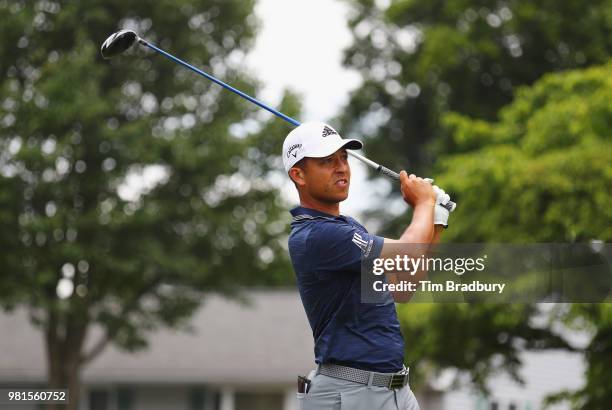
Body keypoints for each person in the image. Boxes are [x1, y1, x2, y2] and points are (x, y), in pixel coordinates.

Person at [284, 122, 452, 410]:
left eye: (343, 158)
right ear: (298, 174)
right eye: (327, 162)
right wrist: (423, 204)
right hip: (350, 393)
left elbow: (404, 287)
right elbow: (407, 255)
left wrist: (436, 221)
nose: (341, 168)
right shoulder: (316, 235)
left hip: (394, 391)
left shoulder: (349, 226)